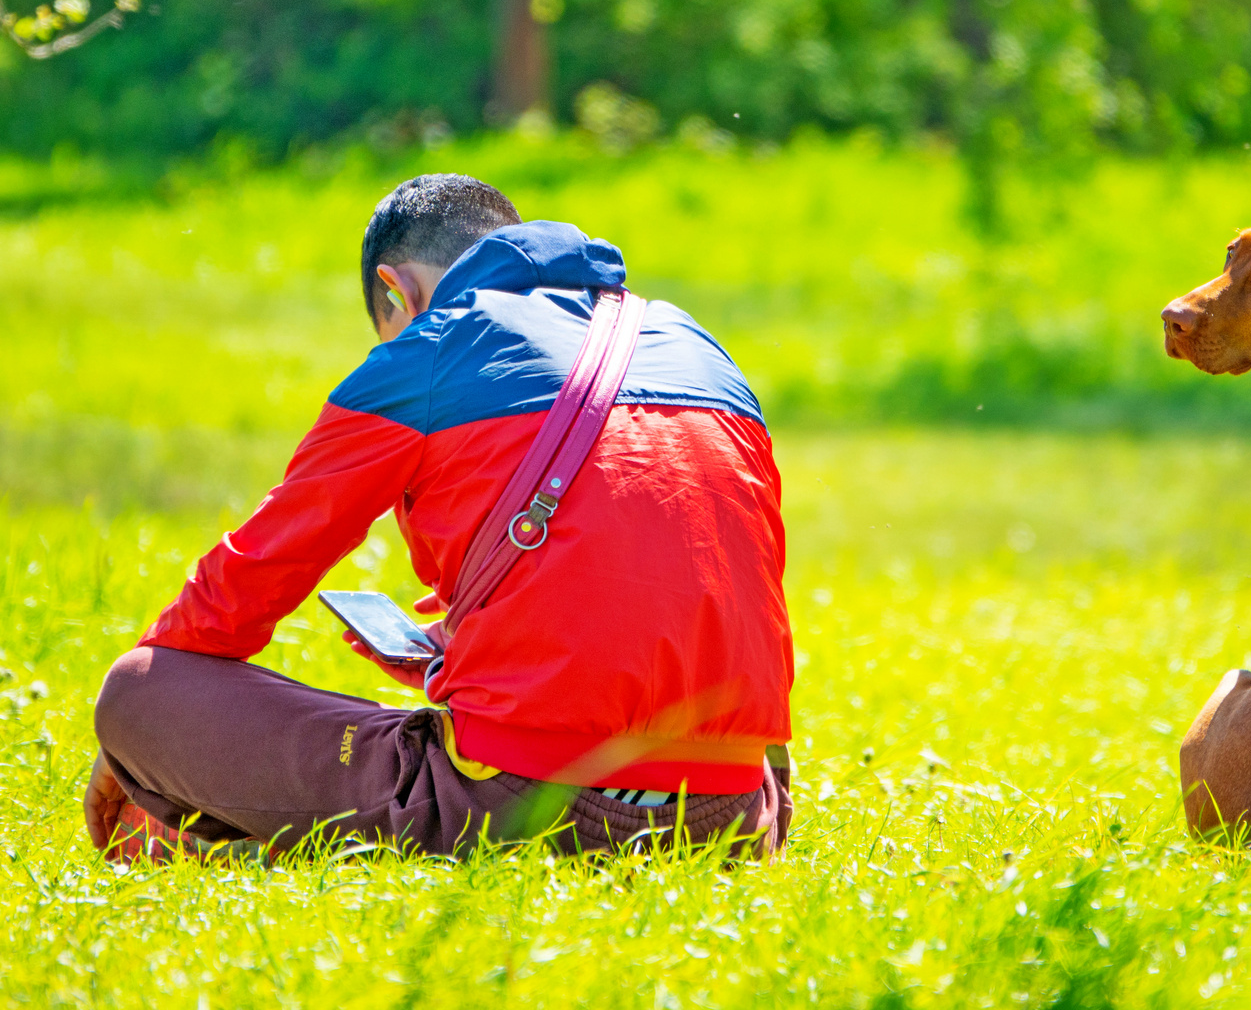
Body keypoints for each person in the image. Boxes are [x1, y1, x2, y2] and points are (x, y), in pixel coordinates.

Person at [84, 174, 794, 860]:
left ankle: (228, 835)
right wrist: (464, 648)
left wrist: (129, 741)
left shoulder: (427, 352)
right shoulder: (696, 346)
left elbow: (245, 585)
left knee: (140, 689)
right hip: (730, 812)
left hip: (529, 806)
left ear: (398, 290)